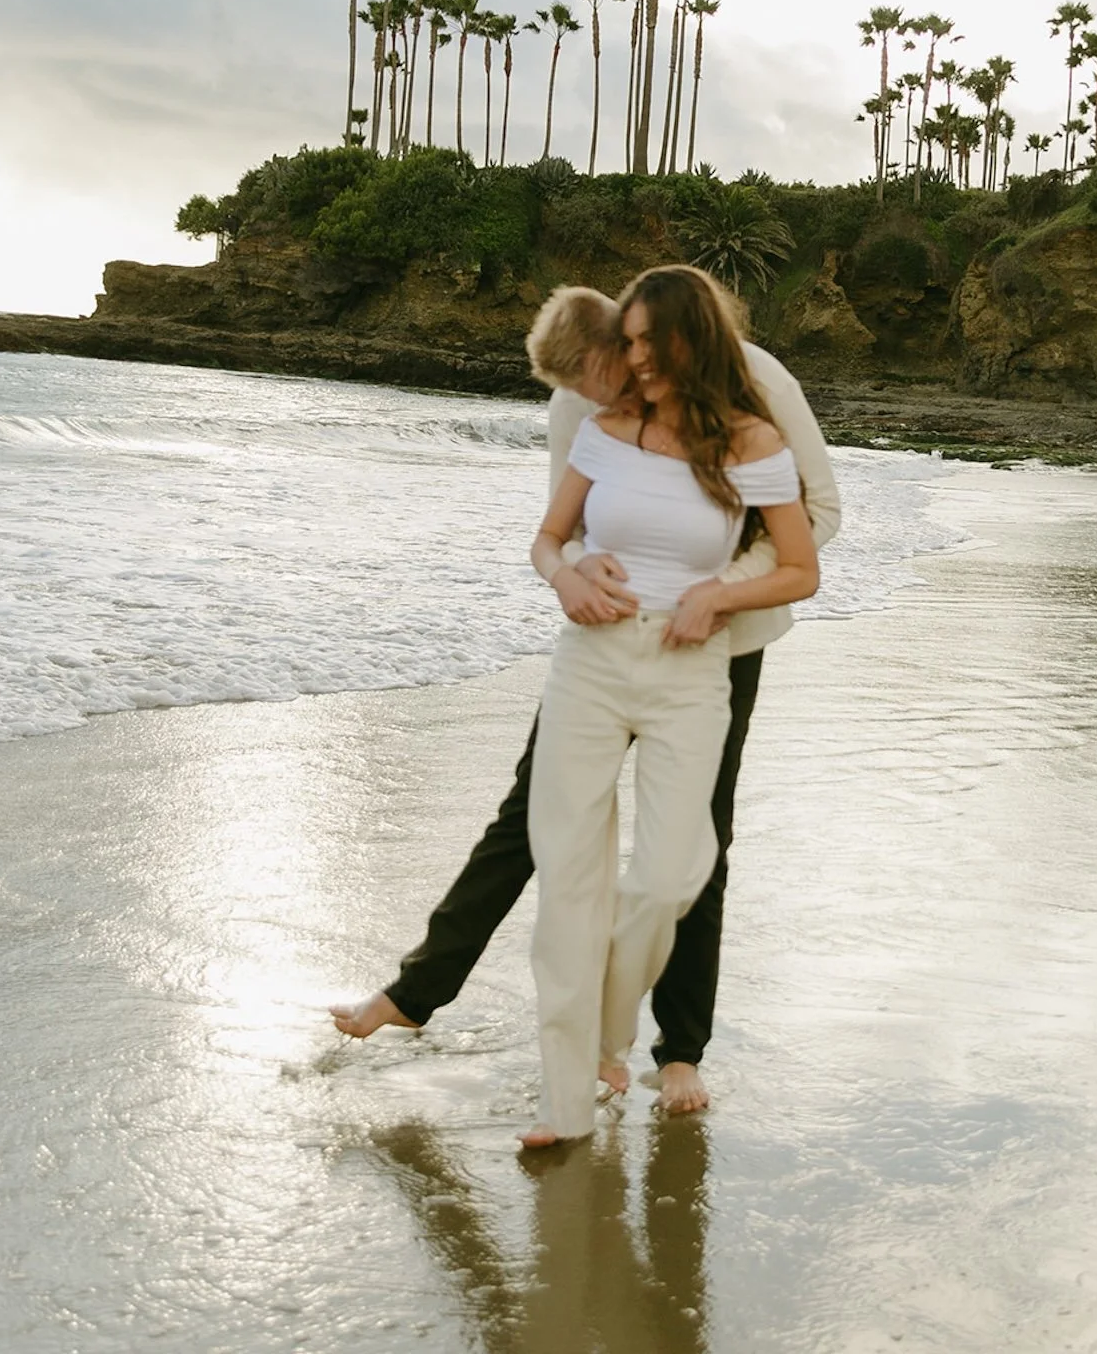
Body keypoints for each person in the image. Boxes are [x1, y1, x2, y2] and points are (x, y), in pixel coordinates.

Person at [332, 279, 840, 1114]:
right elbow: (564, 530)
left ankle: (678, 1053)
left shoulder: (756, 383)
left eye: (607, 380)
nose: (597, 403)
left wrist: (710, 591)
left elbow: (818, 515)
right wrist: (573, 571)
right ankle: (415, 993)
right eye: (576, 393)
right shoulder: (580, 408)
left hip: (719, 641)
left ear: (635, 347)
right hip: (604, 645)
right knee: (528, 819)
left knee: (695, 845)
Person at [520, 265, 819, 1144]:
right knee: (569, 884)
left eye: (651, 339)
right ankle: (565, 1101)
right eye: (630, 339)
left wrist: (719, 595)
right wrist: (568, 574)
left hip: (693, 669)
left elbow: (804, 564)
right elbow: (547, 539)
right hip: (592, 663)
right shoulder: (603, 430)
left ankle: (617, 1031)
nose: (635, 354)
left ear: (694, 339)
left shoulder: (755, 443)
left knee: (665, 877)